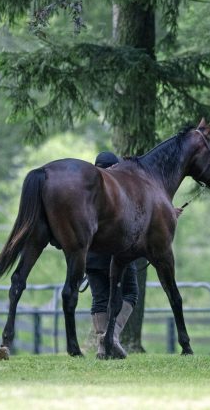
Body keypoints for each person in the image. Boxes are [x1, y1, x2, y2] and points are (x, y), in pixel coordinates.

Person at [87, 151, 138, 358]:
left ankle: (102, 345)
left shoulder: (85, 193)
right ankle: (112, 337)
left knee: (99, 298)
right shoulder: (119, 191)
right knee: (130, 293)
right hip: (117, 254)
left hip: (90, 256)